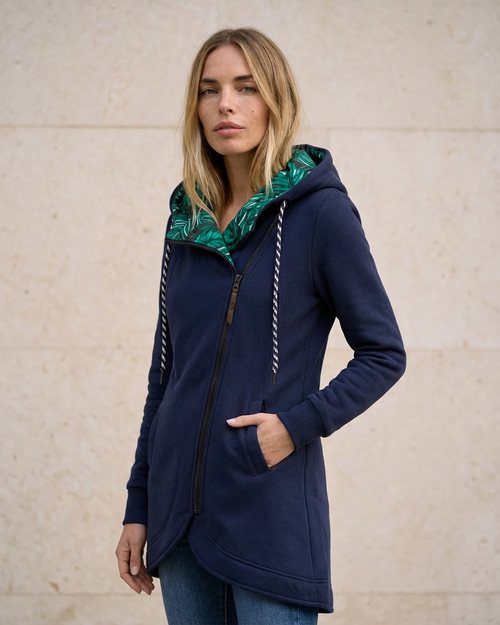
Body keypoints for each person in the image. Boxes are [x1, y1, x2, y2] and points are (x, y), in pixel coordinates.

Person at [115, 27, 406, 624]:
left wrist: (294, 427)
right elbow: (165, 377)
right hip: (177, 518)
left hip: (267, 510)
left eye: (246, 88)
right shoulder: (187, 224)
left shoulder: (321, 214)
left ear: (277, 100)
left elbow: (383, 353)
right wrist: (138, 503)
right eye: (210, 90)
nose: (226, 104)